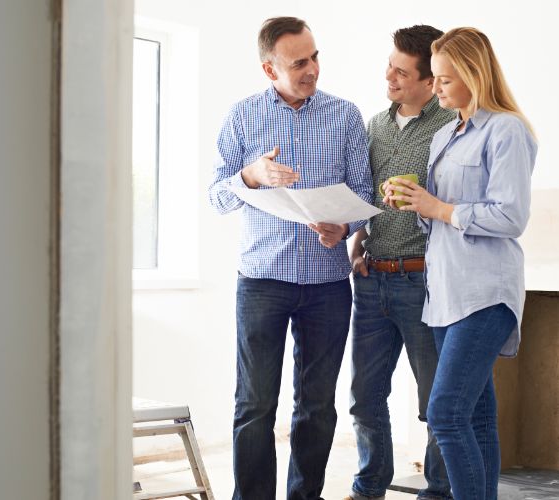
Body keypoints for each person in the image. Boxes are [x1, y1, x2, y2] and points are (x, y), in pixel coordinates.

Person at [208, 16, 372, 500]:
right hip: (262, 280)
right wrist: (252, 176)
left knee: (318, 406)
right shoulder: (242, 116)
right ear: (269, 68)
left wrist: (344, 226)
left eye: (315, 56)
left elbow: (364, 193)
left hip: (327, 284)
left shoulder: (344, 116)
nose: (312, 69)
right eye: (299, 62)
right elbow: (216, 196)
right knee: (255, 404)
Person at [382, 27, 537, 500]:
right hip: (444, 293)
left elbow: (510, 216)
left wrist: (438, 208)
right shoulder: (446, 133)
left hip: (486, 293)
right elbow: (439, 214)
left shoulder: (506, 129)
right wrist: (412, 202)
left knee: (445, 413)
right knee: (475, 417)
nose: (438, 87)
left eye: (446, 79)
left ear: (474, 74)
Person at [345, 26, 454, 500]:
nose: (389, 76)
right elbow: (364, 194)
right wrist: (358, 235)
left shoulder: (451, 125)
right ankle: (369, 487)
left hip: (425, 280)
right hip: (372, 280)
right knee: (365, 399)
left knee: (436, 402)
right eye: (389, 65)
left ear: (430, 82)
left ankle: (439, 491)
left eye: (401, 71)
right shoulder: (374, 124)